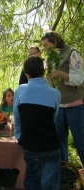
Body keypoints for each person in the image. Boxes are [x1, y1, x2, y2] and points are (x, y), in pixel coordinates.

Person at [13, 56, 61, 189]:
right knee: (50, 183)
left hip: (30, 145)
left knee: (33, 178)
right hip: (51, 145)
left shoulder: (20, 90)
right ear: (44, 71)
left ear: (26, 74)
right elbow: (53, 118)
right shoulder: (55, 93)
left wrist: (19, 137)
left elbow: (17, 119)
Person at [41, 31, 84, 166]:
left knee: (81, 141)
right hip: (59, 106)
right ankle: (66, 172)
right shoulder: (50, 58)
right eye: (43, 46)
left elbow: (79, 79)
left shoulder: (72, 53)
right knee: (59, 142)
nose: (44, 49)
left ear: (54, 42)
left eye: (46, 45)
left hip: (75, 105)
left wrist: (61, 74)